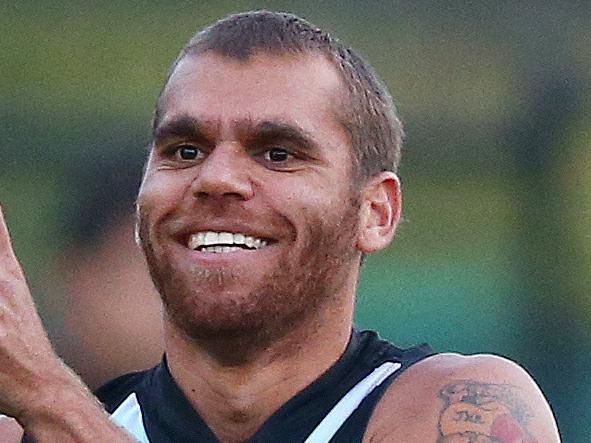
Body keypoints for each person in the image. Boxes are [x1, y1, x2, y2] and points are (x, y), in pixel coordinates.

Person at [0, 11, 560, 442]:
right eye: (185, 149)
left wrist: (49, 398)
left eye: (277, 153)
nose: (215, 178)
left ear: (376, 212)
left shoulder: (460, 409)